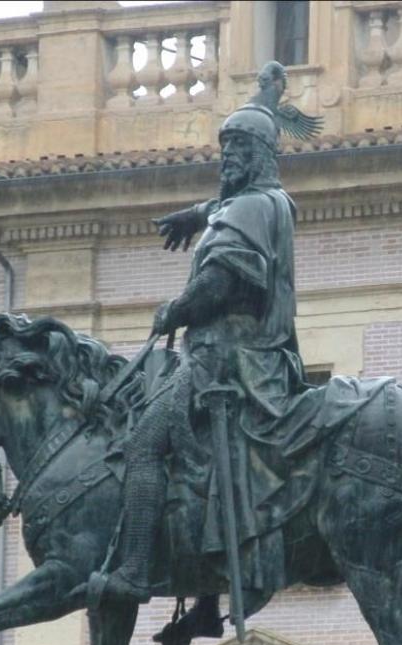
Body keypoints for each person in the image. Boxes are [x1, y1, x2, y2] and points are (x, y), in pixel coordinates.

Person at [94, 100, 303, 606]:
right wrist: (197, 213)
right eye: (224, 145)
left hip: (228, 360)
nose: (227, 156)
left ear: (260, 154)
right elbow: (227, 206)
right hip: (239, 356)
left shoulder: (251, 207)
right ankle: (205, 593)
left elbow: (222, 280)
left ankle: (136, 571)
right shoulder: (261, 202)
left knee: (144, 443)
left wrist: (177, 310)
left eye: (238, 147)